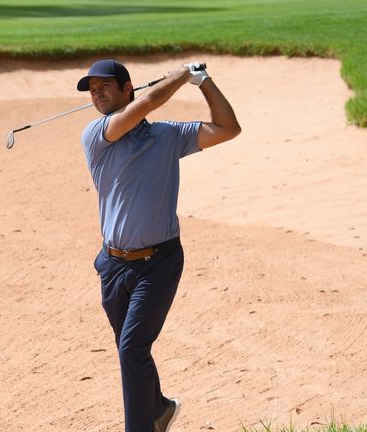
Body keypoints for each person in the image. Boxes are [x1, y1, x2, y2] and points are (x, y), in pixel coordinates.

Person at [77, 59, 241, 432]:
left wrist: (204, 82)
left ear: (126, 88)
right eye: (91, 90)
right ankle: (159, 409)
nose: (96, 93)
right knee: (131, 351)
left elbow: (228, 128)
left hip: (159, 262)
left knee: (132, 349)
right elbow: (148, 104)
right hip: (114, 265)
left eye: (104, 86)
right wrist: (182, 74)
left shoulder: (167, 136)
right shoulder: (97, 134)